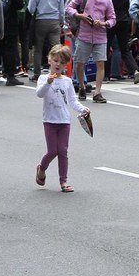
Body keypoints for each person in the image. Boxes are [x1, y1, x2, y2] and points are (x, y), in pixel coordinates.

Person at [35, 44, 90, 193]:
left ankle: (63, 181)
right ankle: (42, 168)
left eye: (62, 62)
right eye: (55, 60)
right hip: (49, 120)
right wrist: (48, 83)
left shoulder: (67, 81)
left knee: (63, 151)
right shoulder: (43, 78)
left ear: (66, 64)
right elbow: (39, 94)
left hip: (64, 121)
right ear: (49, 60)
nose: (58, 64)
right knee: (52, 151)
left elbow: (72, 100)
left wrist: (83, 108)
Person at [66, 0, 116, 102]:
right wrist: (79, 15)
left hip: (100, 35)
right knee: (80, 63)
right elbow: (69, 7)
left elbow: (112, 19)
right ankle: (82, 86)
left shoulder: (107, 0)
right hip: (84, 34)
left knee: (100, 63)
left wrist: (104, 23)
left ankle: (97, 92)